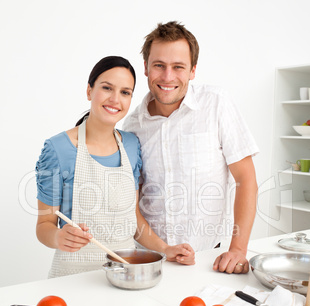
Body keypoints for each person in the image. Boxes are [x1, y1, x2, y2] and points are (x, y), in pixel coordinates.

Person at [35, 55, 195, 278]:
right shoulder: (58, 149)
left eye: (125, 92)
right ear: (89, 91)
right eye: (107, 88)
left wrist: (166, 249)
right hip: (71, 278)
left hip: (123, 275)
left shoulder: (130, 145)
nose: (115, 99)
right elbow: (44, 224)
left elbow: (134, 219)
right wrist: (58, 237)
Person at [123, 22, 259, 274]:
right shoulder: (132, 126)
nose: (167, 77)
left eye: (178, 67)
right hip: (149, 259)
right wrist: (163, 248)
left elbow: (246, 179)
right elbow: (132, 202)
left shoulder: (216, 103)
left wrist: (238, 249)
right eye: (159, 65)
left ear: (193, 70)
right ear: (145, 68)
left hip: (209, 257)